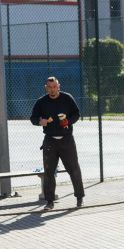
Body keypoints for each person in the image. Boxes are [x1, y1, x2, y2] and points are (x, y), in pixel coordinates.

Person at [30, 76, 85, 210]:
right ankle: (49, 201)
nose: (52, 90)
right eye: (50, 87)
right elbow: (33, 117)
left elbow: (76, 114)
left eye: (55, 87)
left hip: (67, 139)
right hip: (50, 141)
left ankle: (79, 197)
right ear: (46, 88)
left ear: (58, 87)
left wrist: (68, 122)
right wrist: (39, 122)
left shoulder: (67, 98)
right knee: (49, 172)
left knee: (74, 169)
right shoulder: (41, 102)